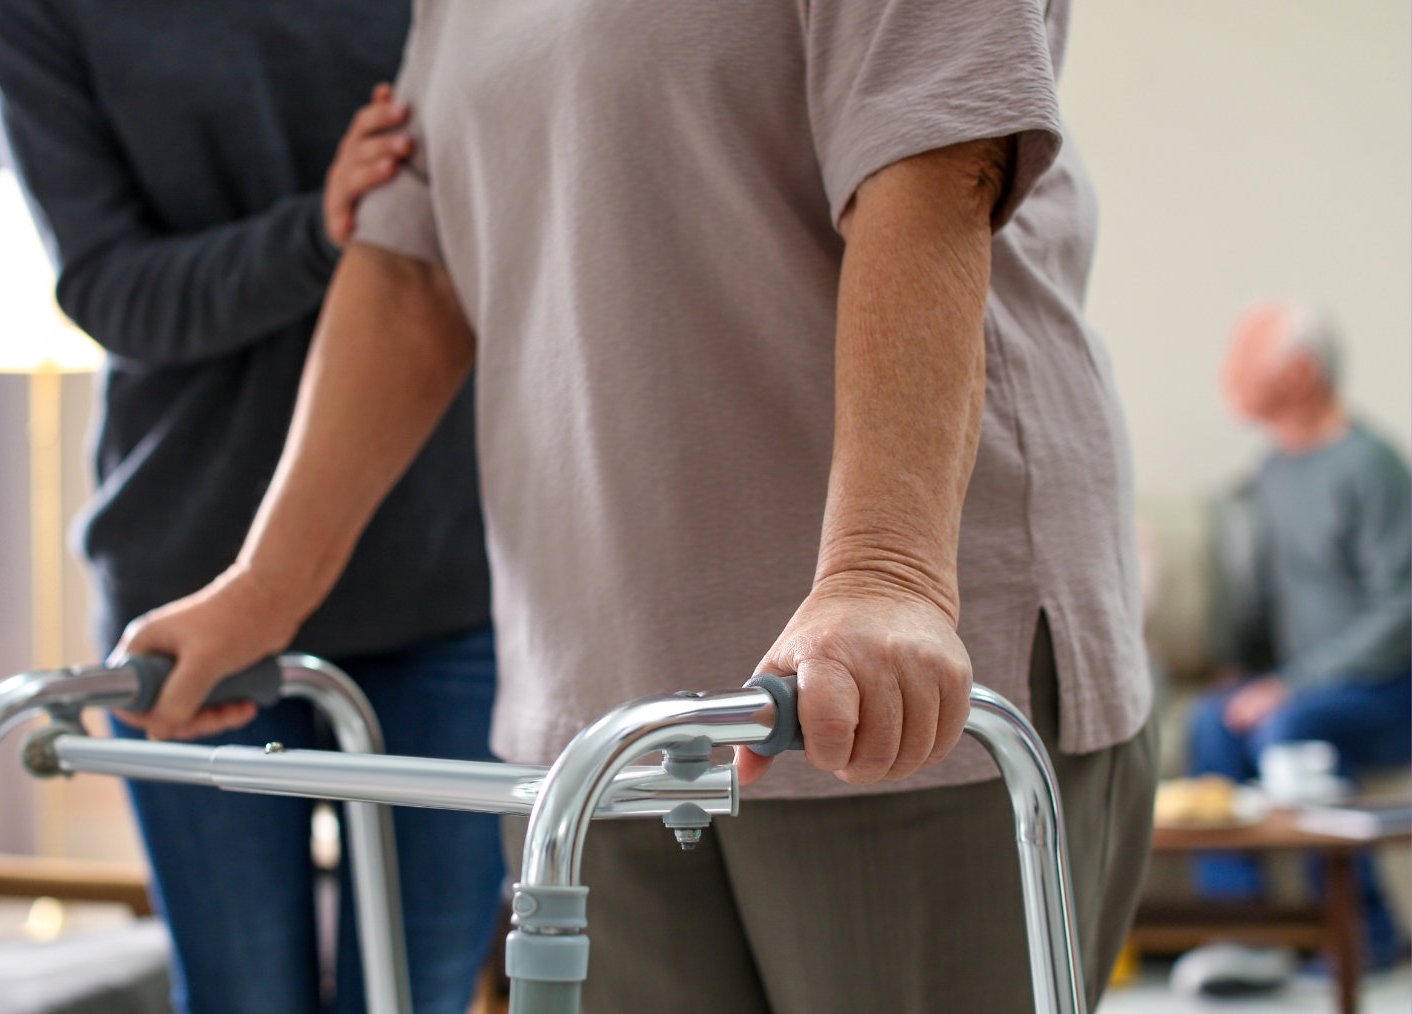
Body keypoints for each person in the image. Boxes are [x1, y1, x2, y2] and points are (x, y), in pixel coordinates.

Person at [119, 1, 1158, 1010]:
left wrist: (885, 568)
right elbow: (413, 269)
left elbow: (931, 168)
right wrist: (265, 586)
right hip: (595, 710)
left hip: (879, 686)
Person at [0, 3, 505, 1013]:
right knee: (240, 995)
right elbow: (108, 288)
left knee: (419, 995)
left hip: (442, 575)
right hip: (192, 586)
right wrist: (320, 228)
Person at [1188, 301, 1411, 969]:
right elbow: (1268, 598)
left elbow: (1403, 606)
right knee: (1211, 722)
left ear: (1301, 372)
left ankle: (1363, 935)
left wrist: (1290, 686)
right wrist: (1241, 670)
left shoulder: (1370, 467)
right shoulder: (1272, 474)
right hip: (1306, 682)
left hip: (1389, 687)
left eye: (1246, 359)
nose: (1228, 373)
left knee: (1294, 729)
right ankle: (1247, 934)